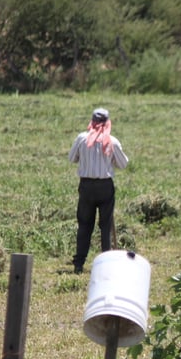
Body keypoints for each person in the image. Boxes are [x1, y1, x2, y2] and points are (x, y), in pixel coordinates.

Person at [69, 107, 129, 273]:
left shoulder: (82, 139)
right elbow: (123, 164)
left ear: (92, 121)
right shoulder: (112, 141)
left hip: (86, 186)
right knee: (105, 225)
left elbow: (72, 158)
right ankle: (106, 263)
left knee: (84, 225)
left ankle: (79, 263)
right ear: (107, 122)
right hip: (105, 186)